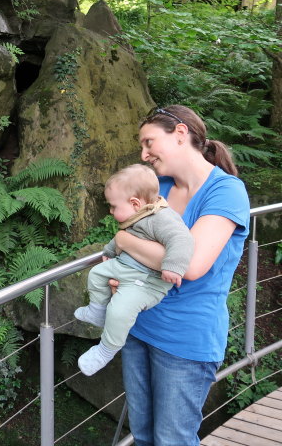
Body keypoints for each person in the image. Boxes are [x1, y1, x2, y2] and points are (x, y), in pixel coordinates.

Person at [113, 105, 250, 446]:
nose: (144, 155)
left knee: (172, 439)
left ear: (179, 133)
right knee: (143, 436)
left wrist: (124, 240)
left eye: (149, 142)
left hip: (185, 340)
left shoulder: (225, 192)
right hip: (138, 327)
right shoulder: (156, 187)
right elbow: (132, 250)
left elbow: (190, 265)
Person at [74, 164, 194, 376]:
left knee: (119, 310)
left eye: (112, 206)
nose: (110, 212)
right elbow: (122, 237)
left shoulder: (162, 218)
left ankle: (105, 350)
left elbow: (182, 239)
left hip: (146, 281)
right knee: (96, 274)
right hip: (126, 267)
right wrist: (110, 252)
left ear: (135, 203)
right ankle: (97, 310)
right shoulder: (137, 214)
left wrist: (173, 266)